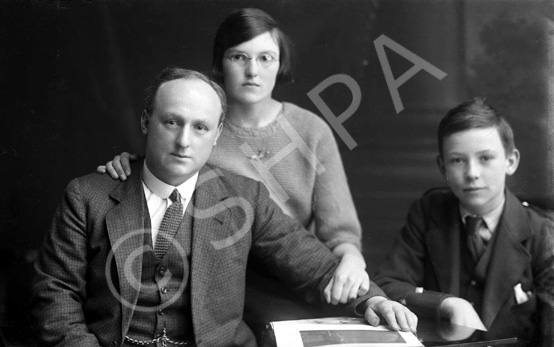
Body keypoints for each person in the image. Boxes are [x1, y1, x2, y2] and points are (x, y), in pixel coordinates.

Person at [31, 67, 417, 347]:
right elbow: (55, 292)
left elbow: (312, 265)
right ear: (147, 121)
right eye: (171, 122)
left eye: (200, 127)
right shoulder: (88, 196)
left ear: (216, 135)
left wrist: (373, 299)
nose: (184, 140)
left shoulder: (244, 197)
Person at [97, 8, 369, 335]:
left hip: (294, 275)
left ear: (281, 63)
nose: (252, 70)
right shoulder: (199, 128)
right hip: (215, 278)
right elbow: (161, 170)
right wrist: (129, 165)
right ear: (219, 63)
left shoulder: (311, 131)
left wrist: (353, 258)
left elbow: (340, 234)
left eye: (266, 58)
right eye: (239, 57)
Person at [374, 98, 554, 346]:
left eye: (486, 158)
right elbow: (387, 283)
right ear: (442, 166)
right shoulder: (428, 214)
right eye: (458, 160)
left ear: (510, 161)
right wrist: (444, 302)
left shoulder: (543, 233)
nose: (472, 173)